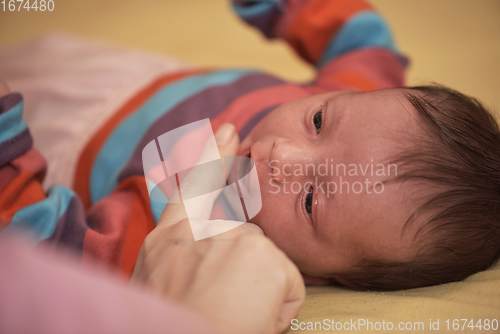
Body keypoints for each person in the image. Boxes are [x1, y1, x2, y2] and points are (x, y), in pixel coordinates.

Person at [0, 0, 499, 294]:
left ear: (335, 278)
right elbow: (361, 37)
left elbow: (50, 243)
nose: (284, 154)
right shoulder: (368, 99)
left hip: (40, 140)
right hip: (109, 69)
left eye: (310, 200)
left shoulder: (190, 228)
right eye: (319, 121)